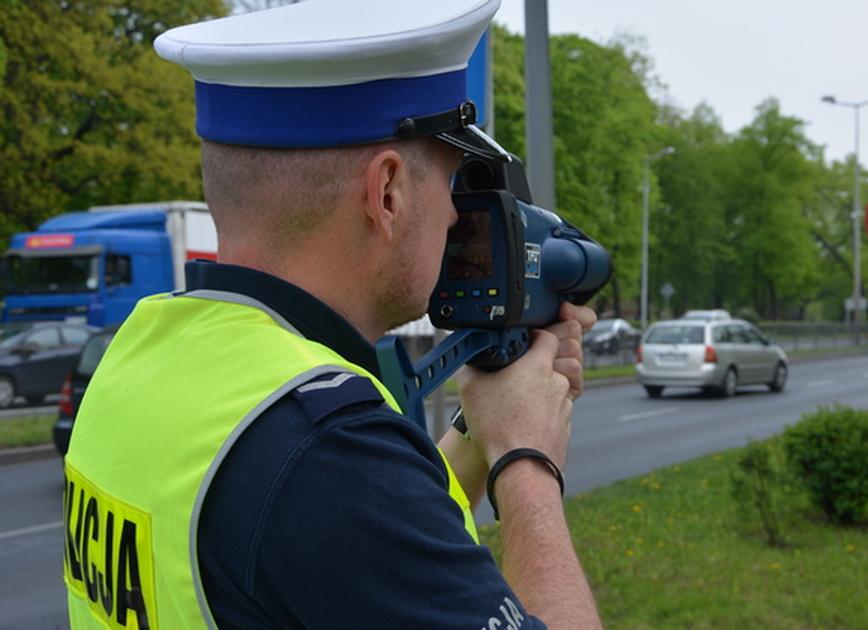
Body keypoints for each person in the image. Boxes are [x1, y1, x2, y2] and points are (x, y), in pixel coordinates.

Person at [61, 1, 603, 628]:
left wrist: (486, 427)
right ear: (389, 192)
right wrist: (527, 458)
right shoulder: (327, 453)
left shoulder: (141, 354)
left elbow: (378, 540)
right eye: (450, 186)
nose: (457, 217)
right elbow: (347, 504)